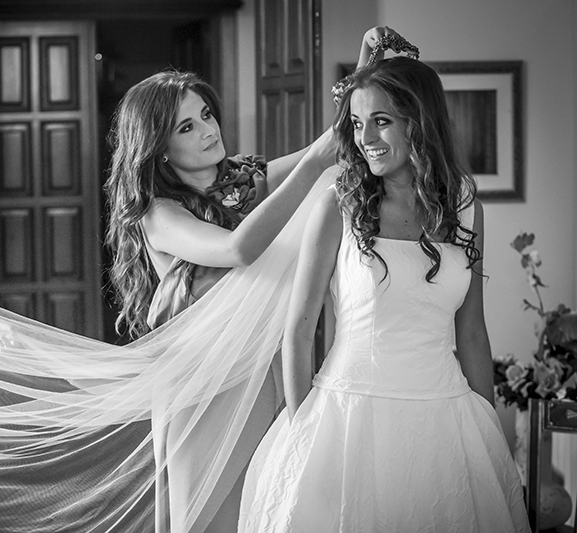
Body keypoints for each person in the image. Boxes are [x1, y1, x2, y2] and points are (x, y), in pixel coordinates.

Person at [103, 27, 416, 533]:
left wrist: (366, 61)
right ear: (159, 149)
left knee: (266, 509)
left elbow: (335, 147)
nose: (208, 130)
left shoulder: (247, 178)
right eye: (186, 127)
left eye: (206, 114)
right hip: (201, 387)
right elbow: (238, 249)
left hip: (263, 373)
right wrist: (311, 164)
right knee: (209, 519)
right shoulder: (158, 214)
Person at [238, 46, 530, 532]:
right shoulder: (339, 205)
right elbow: (300, 328)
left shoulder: (465, 208)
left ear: (420, 122)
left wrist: (489, 435)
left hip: (446, 416)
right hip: (347, 416)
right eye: (357, 124)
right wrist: (301, 427)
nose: (365, 139)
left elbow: (473, 331)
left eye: (381, 121)